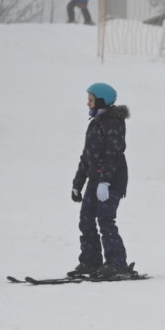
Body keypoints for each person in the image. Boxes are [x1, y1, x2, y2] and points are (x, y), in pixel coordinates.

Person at [70, 82, 132, 279]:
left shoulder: (114, 123)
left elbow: (113, 153)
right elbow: (87, 155)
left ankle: (117, 263)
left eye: (91, 100)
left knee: (105, 219)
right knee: (86, 219)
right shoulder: (95, 123)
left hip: (112, 178)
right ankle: (90, 261)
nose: (88, 103)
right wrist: (78, 184)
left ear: (102, 101)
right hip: (96, 179)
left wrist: (105, 181)